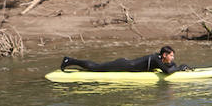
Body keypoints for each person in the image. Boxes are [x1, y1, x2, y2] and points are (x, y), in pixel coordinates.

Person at [60, 45, 189, 74]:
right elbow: (167, 72)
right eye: (171, 55)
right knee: (96, 68)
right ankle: (69, 60)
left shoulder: (161, 59)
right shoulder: (156, 59)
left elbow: (171, 66)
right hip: (123, 65)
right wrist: (179, 68)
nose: (173, 58)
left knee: (97, 66)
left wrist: (178, 67)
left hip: (126, 63)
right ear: (165, 55)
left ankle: (70, 61)